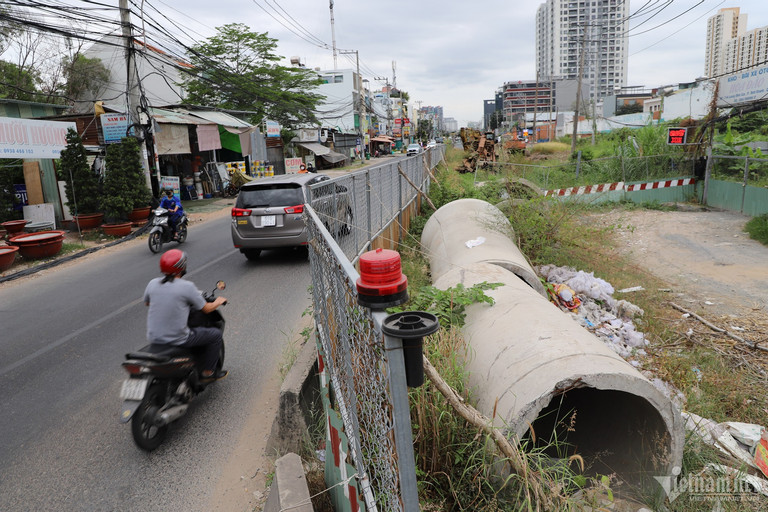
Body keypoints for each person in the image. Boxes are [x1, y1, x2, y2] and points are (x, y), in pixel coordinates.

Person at [144, 249, 228, 383]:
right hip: (179, 338)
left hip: (154, 337)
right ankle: (208, 372)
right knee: (215, 335)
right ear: (181, 267)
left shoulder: (152, 283)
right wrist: (218, 301)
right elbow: (206, 309)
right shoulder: (186, 287)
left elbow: (148, 302)